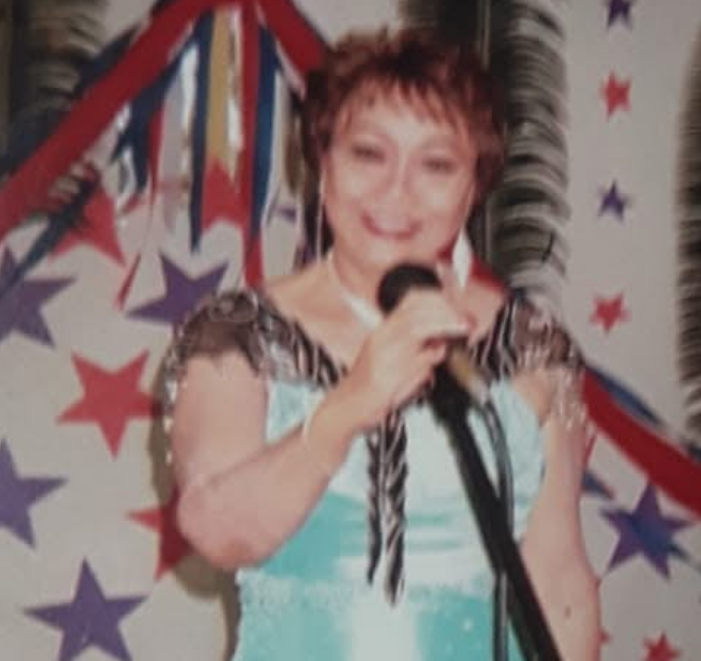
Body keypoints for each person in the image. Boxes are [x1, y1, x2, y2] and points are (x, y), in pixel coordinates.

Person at [160, 26, 600, 661]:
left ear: (474, 186)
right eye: (369, 154)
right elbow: (219, 534)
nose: (397, 191)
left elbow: (559, 584)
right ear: (323, 160)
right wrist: (352, 403)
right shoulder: (237, 333)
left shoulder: (532, 347)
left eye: (436, 165)